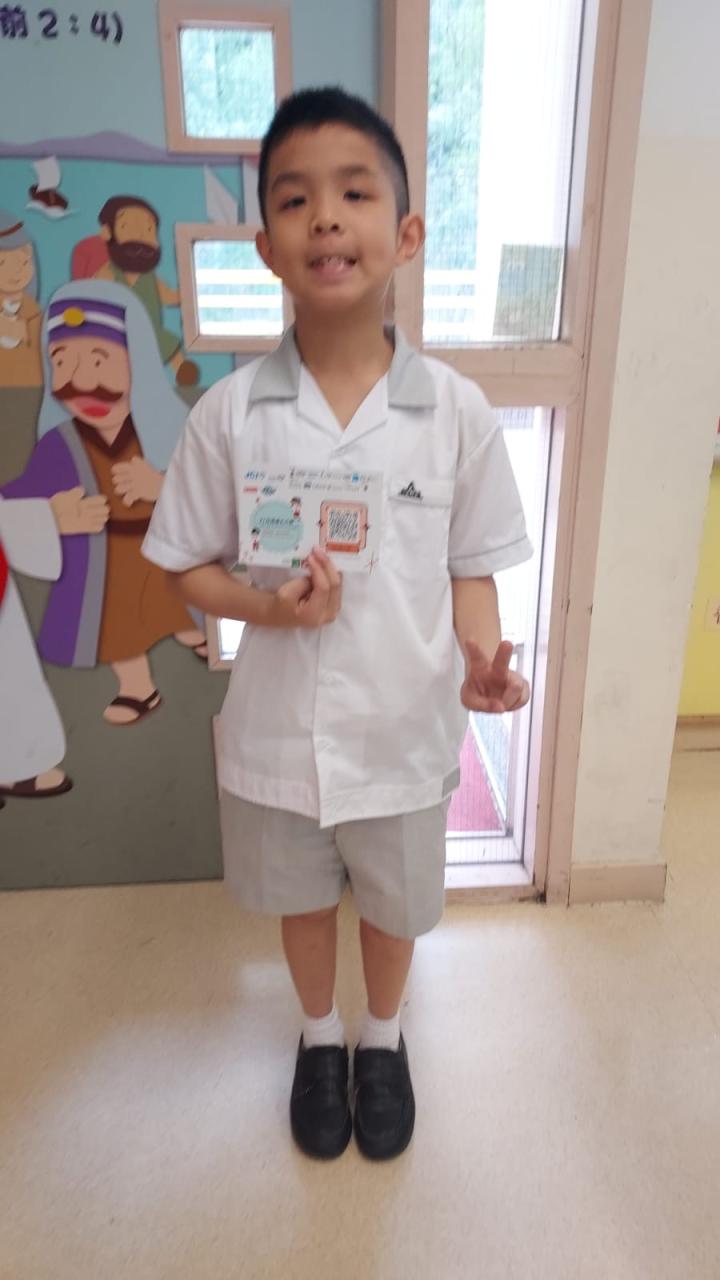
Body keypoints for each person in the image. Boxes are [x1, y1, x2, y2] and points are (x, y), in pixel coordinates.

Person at [143, 87, 533, 1162]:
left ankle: (383, 1039)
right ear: (268, 247)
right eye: (295, 199)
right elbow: (184, 566)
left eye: (355, 193)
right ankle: (320, 1039)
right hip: (280, 735)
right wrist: (266, 607)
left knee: (393, 908)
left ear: (405, 235)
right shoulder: (232, 413)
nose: (325, 217)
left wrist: (479, 657)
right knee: (303, 901)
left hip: (404, 730)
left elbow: (470, 567)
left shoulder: (455, 411)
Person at [2, 280, 207, 726]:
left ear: (139, 363)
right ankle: (138, 688)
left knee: (180, 601)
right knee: (117, 627)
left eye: (98, 360)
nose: (81, 380)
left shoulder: (170, 428)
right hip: (105, 560)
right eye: (62, 361)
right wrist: (51, 517)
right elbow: (14, 500)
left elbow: (214, 488)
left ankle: (197, 632)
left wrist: (162, 486)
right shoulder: (59, 445)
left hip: (163, 548)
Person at [92, 196, 199, 386]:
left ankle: (181, 369)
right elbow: (91, 298)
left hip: (151, 332)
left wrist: (192, 293)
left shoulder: (150, 278)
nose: (141, 236)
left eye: (149, 229)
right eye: (128, 227)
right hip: (119, 333)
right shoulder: (107, 274)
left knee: (167, 344)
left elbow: (168, 296)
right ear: (107, 232)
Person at [0, 210, 42, 387]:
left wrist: (19, 330)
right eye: (2, 263)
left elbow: (40, 337)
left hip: (27, 387)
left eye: (24, 261)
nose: (16, 270)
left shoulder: (32, 311)